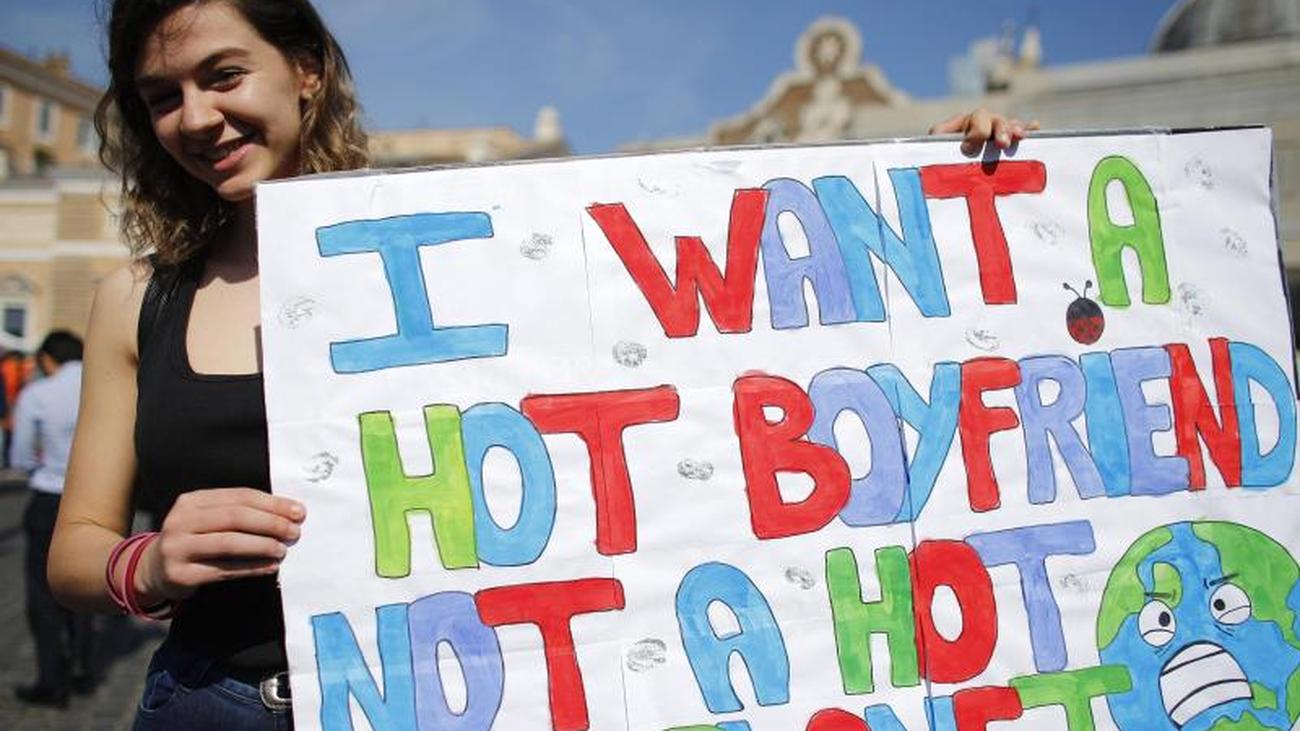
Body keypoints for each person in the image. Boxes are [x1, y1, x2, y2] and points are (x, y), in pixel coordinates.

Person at [47, 1, 1033, 728]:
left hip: (435, 699)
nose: (196, 117)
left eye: (223, 75)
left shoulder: (464, 250)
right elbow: (75, 550)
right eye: (162, 98)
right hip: (211, 701)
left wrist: (928, 195)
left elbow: (732, 339)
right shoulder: (138, 297)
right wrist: (147, 562)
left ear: (304, 69)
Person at [13, 330, 95, 708]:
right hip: (95, 498)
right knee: (88, 587)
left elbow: (21, 455)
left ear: (48, 359)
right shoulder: (100, 386)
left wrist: (40, 467)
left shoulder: (38, 393)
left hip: (49, 496)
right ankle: (83, 667)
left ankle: (51, 678)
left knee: (43, 592)